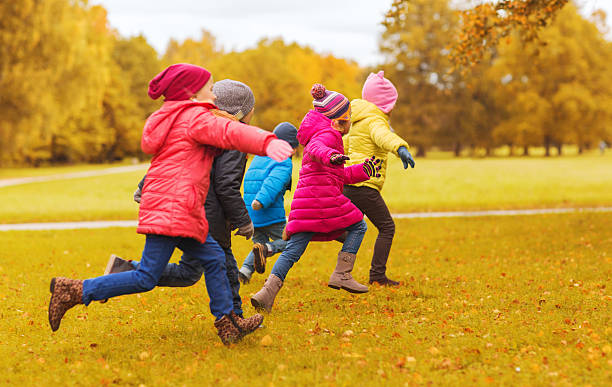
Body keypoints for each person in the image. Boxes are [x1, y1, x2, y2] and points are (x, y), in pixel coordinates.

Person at [47, 64, 293, 345]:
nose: (213, 93)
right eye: (209, 88)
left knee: (212, 259)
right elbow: (233, 133)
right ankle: (74, 291)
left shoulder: (178, 118)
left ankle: (228, 324)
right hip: (174, 209)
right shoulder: (197, 119)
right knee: (147, 277)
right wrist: (267, 142)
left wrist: (144, 187)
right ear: (192, 93)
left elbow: (174, 157)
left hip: (181, 209)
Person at [105, 79, 259, 318]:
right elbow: (226, 186)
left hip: (191, 208)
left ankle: (122, 271)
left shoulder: (197, 126)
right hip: (207, 214)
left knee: (188, 272)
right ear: (241, 113)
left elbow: (174, 159)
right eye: (251, 110)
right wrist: (243, 221)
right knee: (226, 266)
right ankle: (233, 318)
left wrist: (143, 187)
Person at [250, 83, 381, 312]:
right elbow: (318, 151)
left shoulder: (320, 133)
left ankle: (266, 294)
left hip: (307, 203)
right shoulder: (327, 135)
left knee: (292, 250)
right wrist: (332, 156)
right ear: (338, 119)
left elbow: (338, 176)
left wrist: (363, 170)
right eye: (348, 117)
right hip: (322, 200)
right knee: (359, 226)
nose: (350, 121)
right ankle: (342, 274)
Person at [343, 71, 415, 286]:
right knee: (387, 227)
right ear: (386, 104)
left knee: (351, 227)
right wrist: (400, 147)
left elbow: (346, 144)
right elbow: (383, 136)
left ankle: (342, 271)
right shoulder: (375, 120)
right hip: (365, 185)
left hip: (349, 184)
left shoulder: (357, 120)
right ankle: (377, 276)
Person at [238, 122, 299, 284]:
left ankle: (244, 271)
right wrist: (261, 201)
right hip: (268, 212)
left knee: (259, 244)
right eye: (294, 147)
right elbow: (273, 183)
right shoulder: (283, 161)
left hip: (252, 214)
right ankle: (269, 249)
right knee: (292, 241)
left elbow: (251, 181)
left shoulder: (259, 156)